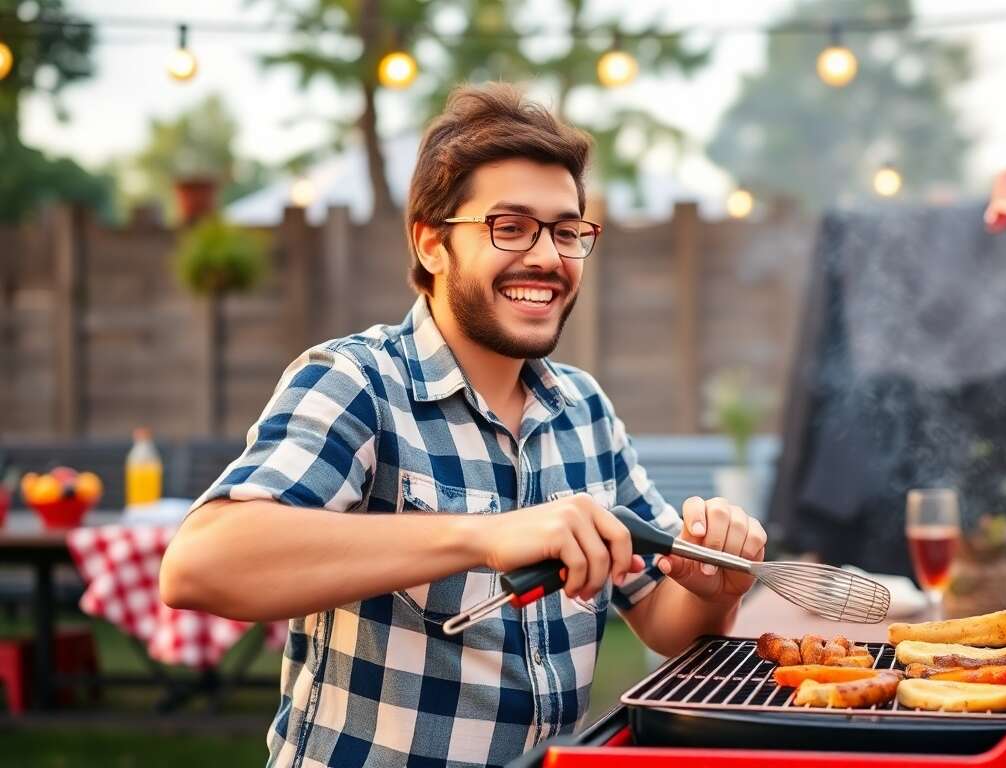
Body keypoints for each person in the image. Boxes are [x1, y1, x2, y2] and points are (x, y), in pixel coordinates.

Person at [160, 83, 765, 768]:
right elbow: (199, 565)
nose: (547, 257)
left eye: (567, 231)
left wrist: (713, 592)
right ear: (431, 245)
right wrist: (485, 536)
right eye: (509, 227)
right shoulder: (358, 382)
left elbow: (662, 620)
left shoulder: (584, 409)